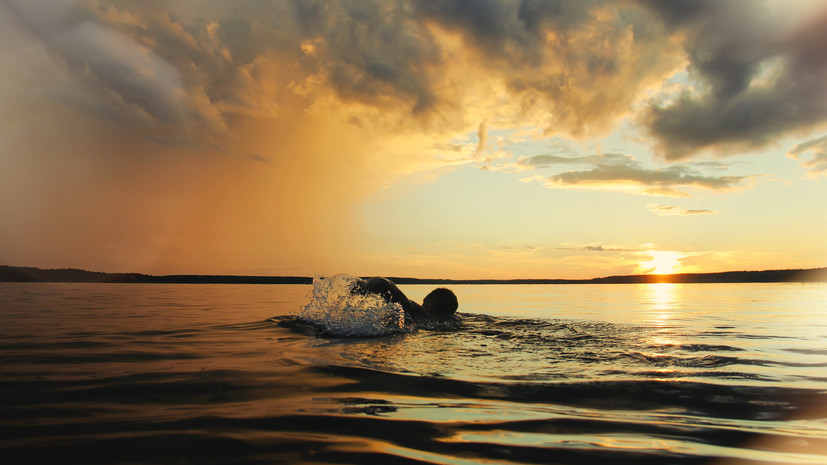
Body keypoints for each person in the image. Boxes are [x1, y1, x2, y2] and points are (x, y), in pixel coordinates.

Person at [352, 276, 458, 321]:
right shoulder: (451, 320)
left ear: (430, 307)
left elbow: (382, 283)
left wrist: (363, 285)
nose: (421, 305)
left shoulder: (419, 313)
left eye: (423, 303)